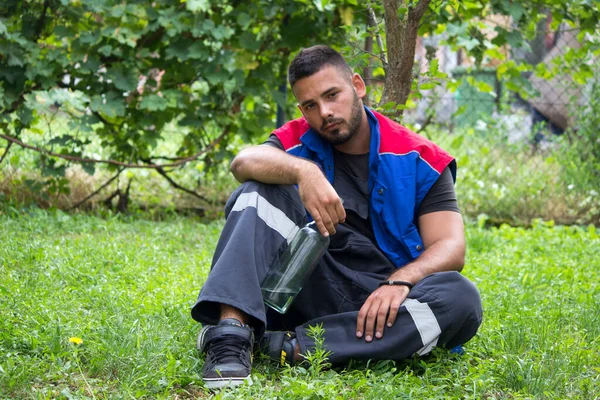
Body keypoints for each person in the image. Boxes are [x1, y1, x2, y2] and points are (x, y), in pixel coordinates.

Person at [191, 45, 483, 389]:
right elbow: (242, 163)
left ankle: (287, 347)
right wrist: (304, 172)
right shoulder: (295, 141)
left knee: (460, 297)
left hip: (376, 300)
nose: (325, 112)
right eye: (311, 105)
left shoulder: (420, 158)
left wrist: (400, 280)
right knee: (256, 191)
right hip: (299, 284)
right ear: (302, 109)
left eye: (333, 95)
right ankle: (231, 336)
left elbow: (451, 246)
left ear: (357, 86)